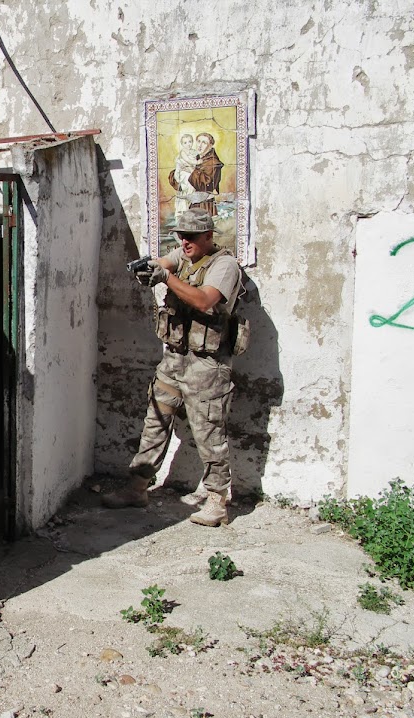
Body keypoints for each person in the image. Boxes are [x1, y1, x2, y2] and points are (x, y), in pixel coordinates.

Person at [103, 208, 244, 527]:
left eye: (191, 236)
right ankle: (137, 488)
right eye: (181, 235)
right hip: (174, 361)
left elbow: (205, 301)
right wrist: (149, 269)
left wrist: (166, 278)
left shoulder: (224, 265)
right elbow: (164, 263)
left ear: (208, 236)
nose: (184, 241)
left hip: (206, 366)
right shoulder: (184, 254)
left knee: (209, 432)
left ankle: (217, 501)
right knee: (154, 423)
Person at [169, 132, 223, 216]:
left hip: (203, 205)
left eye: (204, 143)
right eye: (198, 141)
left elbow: (206, 184)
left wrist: (191, 170)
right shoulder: (196, 157)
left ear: (210, 145)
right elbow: (178, 177)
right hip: (191, 201)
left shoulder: (213, 162)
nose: (200, 145)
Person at [172, 134, 198, 215]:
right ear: (182, 144)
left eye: (190, 142)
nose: (188, 144)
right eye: (185, 143)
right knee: (186, 189)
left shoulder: (194, 152)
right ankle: (183, 210)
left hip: (190, 173)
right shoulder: (183, 152)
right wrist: (196, 162)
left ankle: (188, 208)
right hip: (183, 174)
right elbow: (188, 162)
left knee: (191, 190)